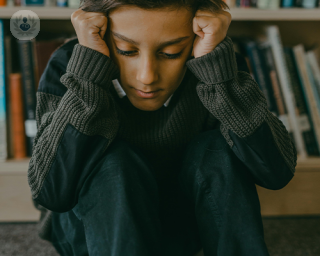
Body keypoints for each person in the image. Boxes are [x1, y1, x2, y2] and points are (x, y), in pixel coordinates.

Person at [28, 0, 297, 255]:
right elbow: (51, 194)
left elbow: (276, 173)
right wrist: (88, 77)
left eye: (171, 53)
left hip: (181, 230)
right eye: (126, 50)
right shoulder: (70, 64)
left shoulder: (217, 64)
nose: (147, 76)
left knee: (216, 150)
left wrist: (219, 78)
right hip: (90, 235)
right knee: (114, 162)